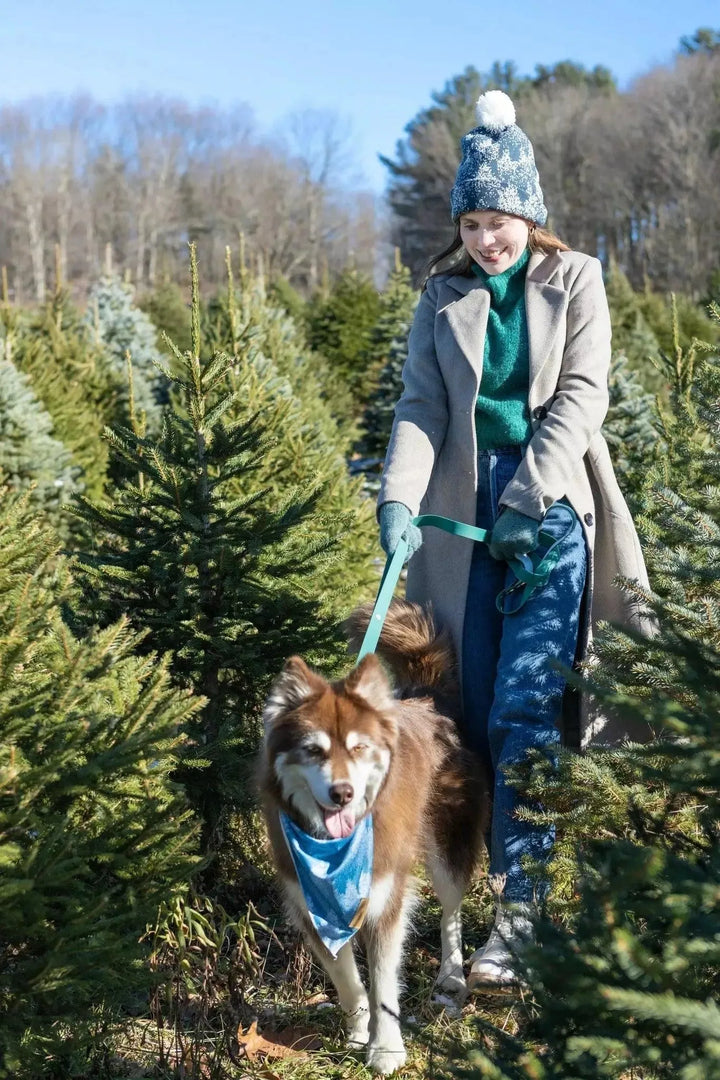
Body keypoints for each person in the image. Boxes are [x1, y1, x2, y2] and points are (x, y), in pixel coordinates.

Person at [377, 89, 651, 988]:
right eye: (473, 222)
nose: (487, 239)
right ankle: (466, 900)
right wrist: (397, 499)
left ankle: (522, 915)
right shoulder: (441, 299)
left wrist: (530, 496)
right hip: (459, 531)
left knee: (524, 711)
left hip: (548, 518)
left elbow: (582, 396)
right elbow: (419, 409)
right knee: (466, 719)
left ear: (527, 217)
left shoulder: (576, 282)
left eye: (499, 221)